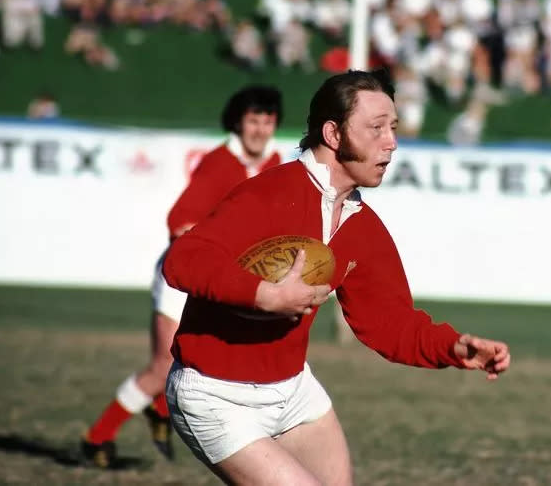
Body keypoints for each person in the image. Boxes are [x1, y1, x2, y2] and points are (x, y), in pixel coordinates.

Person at [162, 70, 512, 485]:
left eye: (394, 128)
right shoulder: (270, 193)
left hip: (293, 392)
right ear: (333, 133)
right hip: (216, 395)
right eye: (376, 128)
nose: (391, 142)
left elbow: (389, 322)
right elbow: (183, 259)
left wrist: (452, 347)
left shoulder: (361, 225)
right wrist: (263, 295)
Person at [80, 85, 284, 468]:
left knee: (198, 362)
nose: (259, 128)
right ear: (238, 122)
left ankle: (160, 409)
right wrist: (198, 248)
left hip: (218, 283)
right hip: (183, 276)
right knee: (162, 367)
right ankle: (97, 438)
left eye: (267, 120)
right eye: (253, 120)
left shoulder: (273, 164)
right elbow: (179, 219)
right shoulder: (220, 163)